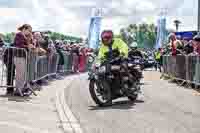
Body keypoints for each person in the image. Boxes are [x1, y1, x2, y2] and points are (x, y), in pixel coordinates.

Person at [13, 24, 35, 95]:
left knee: (22, 74)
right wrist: (27, 46)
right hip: (19, 56)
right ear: (24, 29)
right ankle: (18, 90)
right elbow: (18, 45)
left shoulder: (25, 36)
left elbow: (27, 45)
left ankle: (20, 89)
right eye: (29, 30)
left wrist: (30, 41)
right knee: (20, 74)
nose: (30, 32)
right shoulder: (19, 35)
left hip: (22, 57)